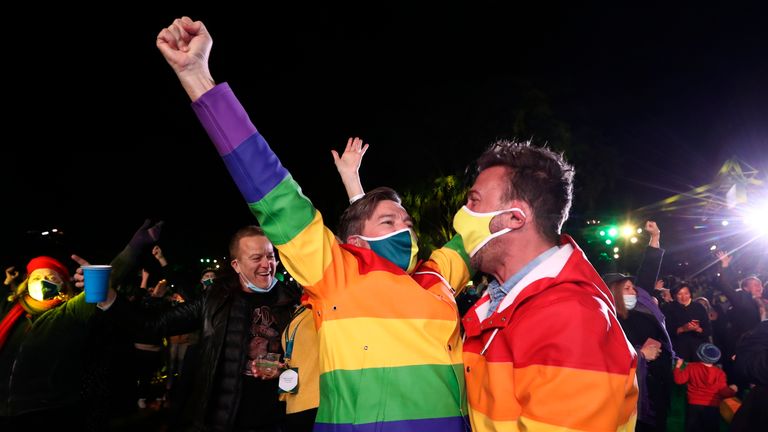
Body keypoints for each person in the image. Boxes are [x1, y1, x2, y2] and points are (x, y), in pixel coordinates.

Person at [158, 17, 472, 431]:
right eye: (389, 220)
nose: (406, 228)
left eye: (407, 220)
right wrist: (198, 77)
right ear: (356, 241)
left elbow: (489, 224)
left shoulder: (437, 275)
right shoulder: (337, 276)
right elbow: (273, 191)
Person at [454, 141, 638, 431]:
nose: (463, 214)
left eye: (474, 201)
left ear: (515, 218)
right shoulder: (503, 301)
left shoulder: (572, 318)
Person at [0, 219, 162, 429]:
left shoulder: (69, 313)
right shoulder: (9, 310)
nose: (43, 281)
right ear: (26, 283)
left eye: (51, 277)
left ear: (63, 286)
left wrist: (133, 249)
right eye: (37, 277)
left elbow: (105, 282)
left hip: (45, 413)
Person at [138, 226, 301, 431]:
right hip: (227, 419)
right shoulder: (216, 301)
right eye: (256, 258)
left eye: (270, 256)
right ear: (236, 265)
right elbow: (152, 325)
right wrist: (108, 299)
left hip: (280, 418)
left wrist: (285, 370)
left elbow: (308, 359)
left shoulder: (293, 300)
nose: (266, 264)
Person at [603, 221, 674, 431]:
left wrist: (655, 237)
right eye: (627, 289)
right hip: (634, 390)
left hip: (657, 383)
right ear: (614, 293)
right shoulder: (609, 320)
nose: (634, 292)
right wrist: (640, 355)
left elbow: (648, 271)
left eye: (633, 288)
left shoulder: (643, 307)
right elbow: (607, 355)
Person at [673, 343, 736, 432]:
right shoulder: (719, 373)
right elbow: (724, 392)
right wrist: (732, 390)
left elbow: (679, 380)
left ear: (699, 355)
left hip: (693, 405)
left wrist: (677, 367)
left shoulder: (691, 367)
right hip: (712, 407)